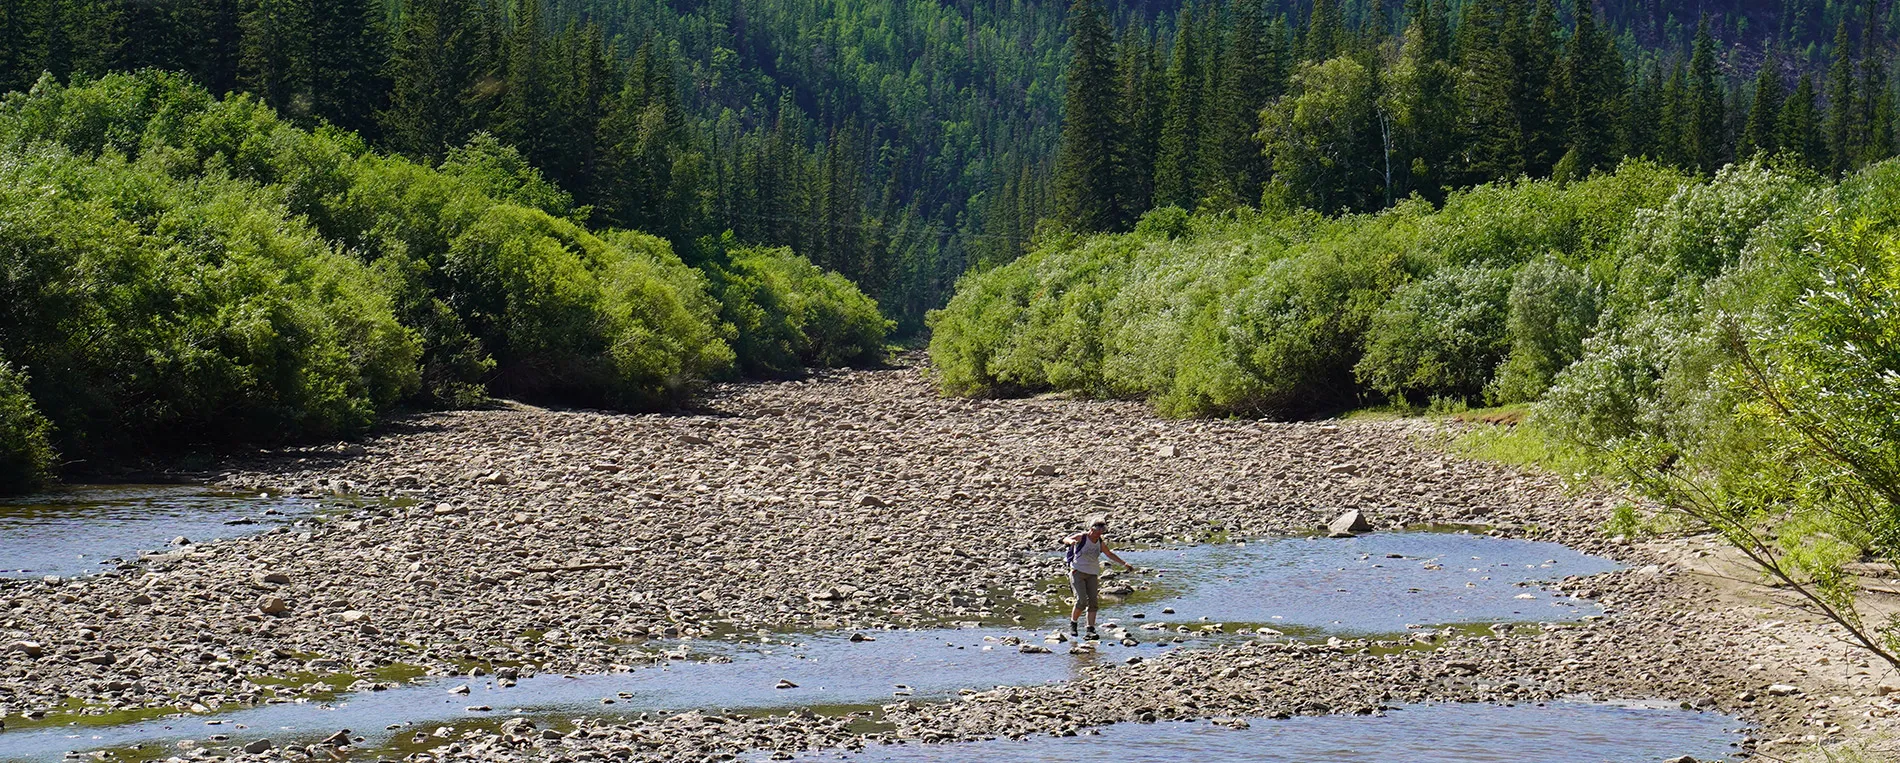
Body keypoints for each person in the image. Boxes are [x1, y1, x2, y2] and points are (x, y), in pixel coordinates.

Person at [1063, 516, 1132, 639]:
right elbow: (1066, 539)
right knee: (1081, 601)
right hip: (1077, 572)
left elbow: (1109, 554)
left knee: (1093, 603)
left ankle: (1090, 629)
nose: (1099, 533)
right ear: (1091, 528)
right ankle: (1073, 624)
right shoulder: (1082, 537)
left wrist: (1124, 563)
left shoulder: (1100, 541)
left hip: (1092, 574)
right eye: (1097, 530)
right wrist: (1071, 542)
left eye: (1102, 530)